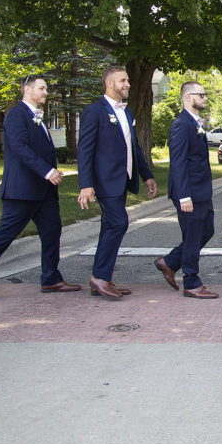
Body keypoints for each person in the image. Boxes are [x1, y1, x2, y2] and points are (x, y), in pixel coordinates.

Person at [0, 76, 80, 302]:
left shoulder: (38, 118)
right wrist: (47, 171)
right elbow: (19, 147)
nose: (46, 92)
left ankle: (51, 278)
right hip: (22, 191)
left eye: (46, 89)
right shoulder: (16, 114)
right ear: (27, 89)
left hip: (44, 193)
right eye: (42, 88)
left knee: (53, 230)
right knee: (5, 235)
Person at [77, 65, 157, 299]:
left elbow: (135, 148)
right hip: (104, 181)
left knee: (110, 226)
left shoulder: (127, 112)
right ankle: (99, 277)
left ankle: (102, 279)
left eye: (128, 80)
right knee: (119, 222)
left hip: (122, 180)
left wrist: (147, 175)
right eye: (123, 81)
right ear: (109, 84)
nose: (128, 84)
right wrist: (85, 184)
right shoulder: (94, 111)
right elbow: (85, 150)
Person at [153, 81, 218, 299]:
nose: (205, 98)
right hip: (189, 192)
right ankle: (191, 282)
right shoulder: (181, 124)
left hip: (202, 190)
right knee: (193, 236)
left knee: (207, 230)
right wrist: (184, 196)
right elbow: (178, 163)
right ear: (188, 97)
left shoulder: (194, 123)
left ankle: (170, 262)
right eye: (201, 95)